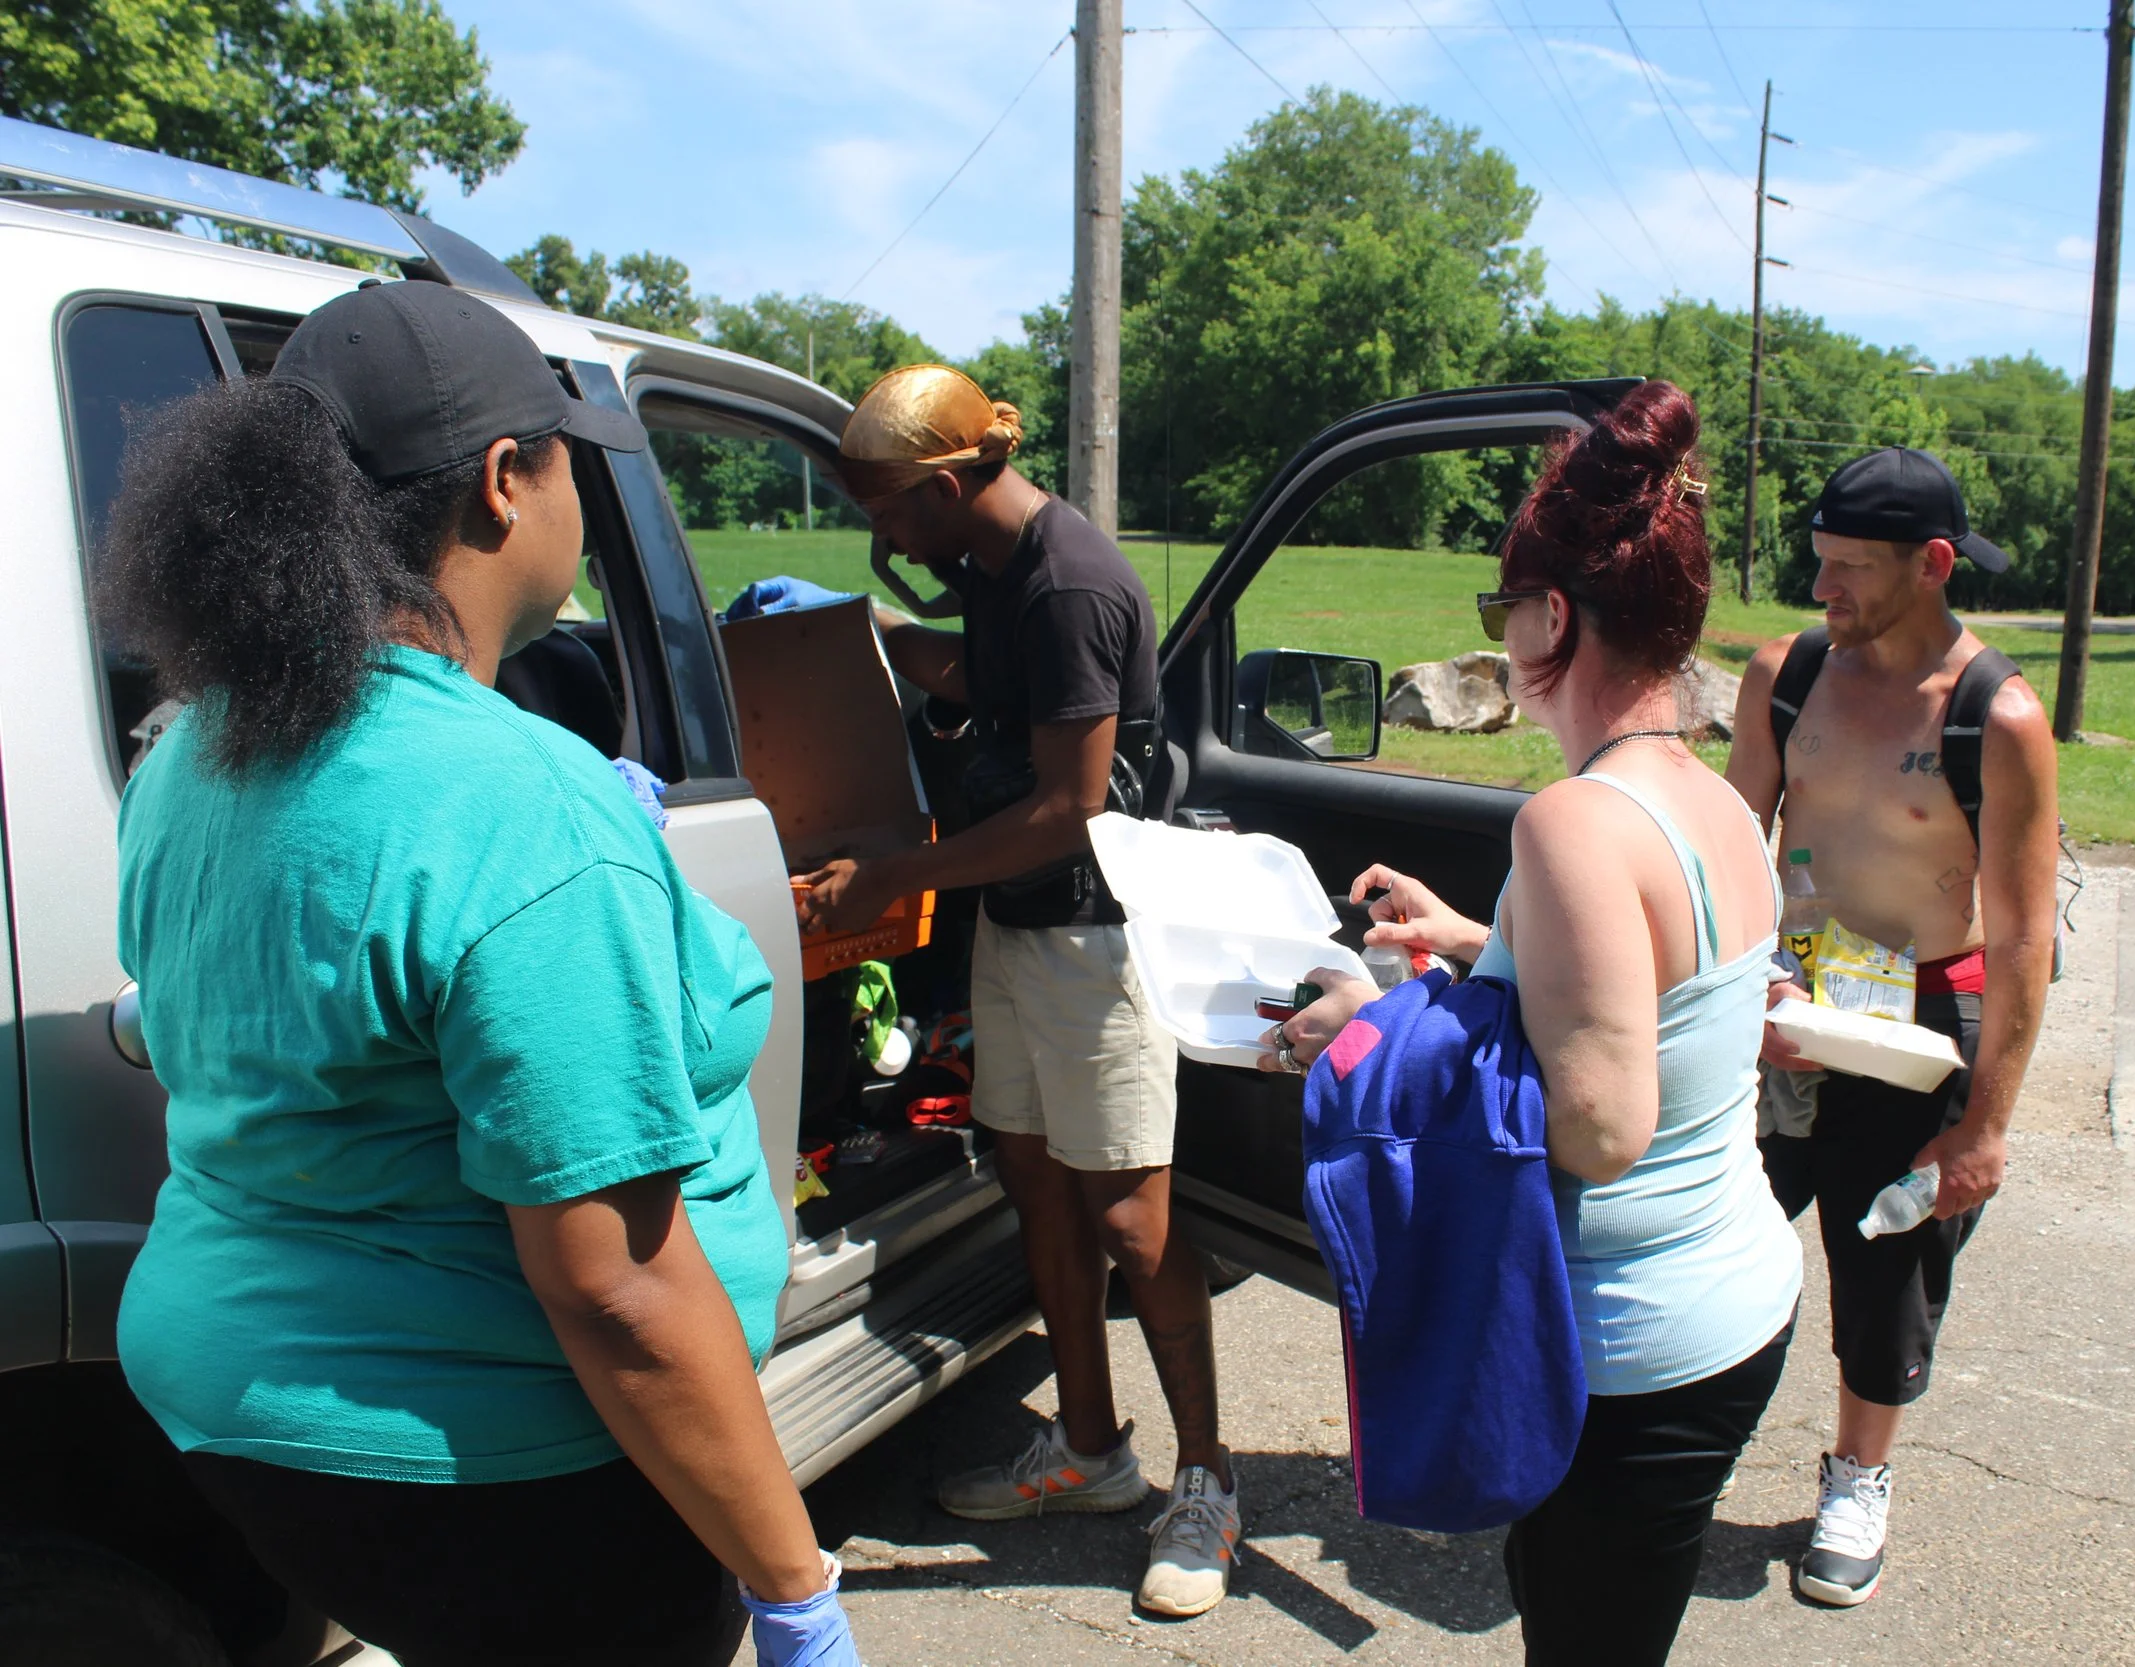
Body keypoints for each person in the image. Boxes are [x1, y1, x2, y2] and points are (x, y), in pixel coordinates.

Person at [99, 282, 856, 1667]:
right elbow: (617, 1286)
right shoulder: (519, 805)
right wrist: (792, 1582)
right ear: (507, 484)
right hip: (504, 1469)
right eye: (566, 454)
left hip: (238, 1405)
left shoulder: (198, 744)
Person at [1268, 380, 1803, 1665]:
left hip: (1627, 1343)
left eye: (1504, 608)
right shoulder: (1715, 799)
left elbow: (1600, 1124)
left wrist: (1373, 1025)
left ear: (1552, 613)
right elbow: (1651, 992)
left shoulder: (1568, 821)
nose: (1503, 634)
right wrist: (1472, 941)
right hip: (1734, 1291)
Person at [799, 365, 1233, 1619]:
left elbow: (1068, 804)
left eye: (885, 511)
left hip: (1099, 946)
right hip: (1022, 929)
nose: (879, 535)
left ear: (943, 486)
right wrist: (876, 638)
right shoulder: (992, 575)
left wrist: (895, 872)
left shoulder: (1069, 581)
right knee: (1034, 1183)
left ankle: (1204, 1480)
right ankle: (1089, 1450)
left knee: (1133, 1225)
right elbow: (1000, 690)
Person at [1724, 446, 2061, 1609]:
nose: (1824, 592)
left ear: (1931, 565)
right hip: (1788, 1006)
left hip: (1912, 1023)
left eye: (1850, 572)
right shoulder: (1786, 673)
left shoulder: (1997, 716)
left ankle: (1857, 1475)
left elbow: (2022, 937)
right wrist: (1746, 984)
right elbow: (1730, 857)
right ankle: (1672, 1431)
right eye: (1818, 565)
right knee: (1715, 1225)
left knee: (1885, 1266)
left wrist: (1985, 1122)